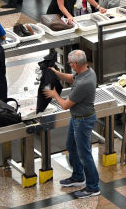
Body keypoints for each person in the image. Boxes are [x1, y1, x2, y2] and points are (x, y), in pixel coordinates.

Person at [44, 50, 101, 199]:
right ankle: (78, 176)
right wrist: (56, 73)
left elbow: (65, 105)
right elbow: (71, 77)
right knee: (71, 145)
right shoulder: (87, 71)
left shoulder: (83, 83)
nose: (69, 65)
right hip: (76, 117)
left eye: (70, 63)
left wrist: (55, 95)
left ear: (75, 64)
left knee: (85, 154)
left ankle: (93, 187)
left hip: (83, 120)